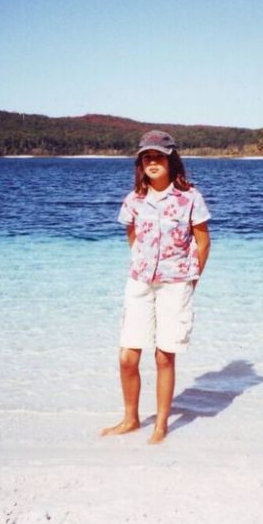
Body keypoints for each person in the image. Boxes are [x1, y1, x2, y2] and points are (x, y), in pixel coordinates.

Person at [100, 130, 211, 444]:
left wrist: (192, 279)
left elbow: (203, 243)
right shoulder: (133, 199)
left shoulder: (190, 197)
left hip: (177, 283)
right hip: (139, 282)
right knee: (127, 356)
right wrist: (144, 267)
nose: (152, 162)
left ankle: (161, 425)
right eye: (147, 157)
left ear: (170, 159)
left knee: (164, 356)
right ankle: (130, 419)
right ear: (141, 162)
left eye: (158, 156)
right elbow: (133, 238)